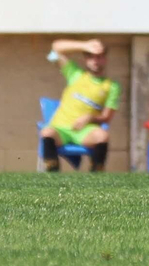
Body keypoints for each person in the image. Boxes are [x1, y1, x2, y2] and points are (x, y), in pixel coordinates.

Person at [39, 39, 118, 172]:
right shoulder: (75, 74)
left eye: (99, 57)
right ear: (86, 60)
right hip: (61, 129)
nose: (95, 61)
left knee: (103, 136)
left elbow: (107, 117)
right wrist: (84, 45)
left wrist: (90, 117)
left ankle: (96, 176)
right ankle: (52, 174)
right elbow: (56, 47)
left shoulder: (111, 86)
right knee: (47, 132)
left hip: (84, 132)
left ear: (105, 59)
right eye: (91, 57)